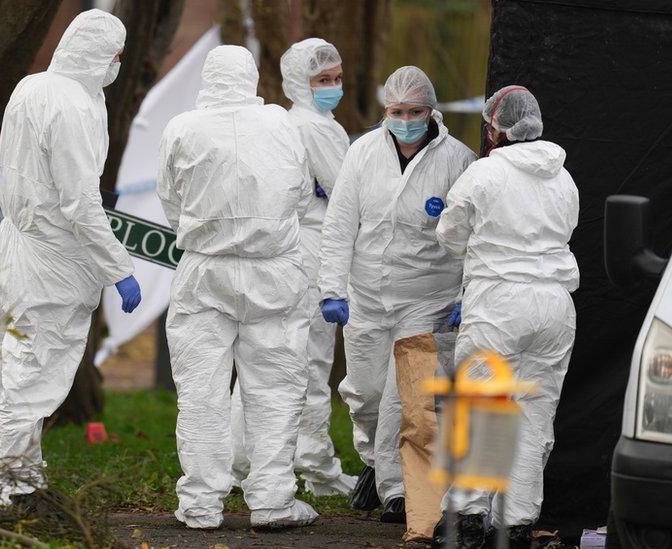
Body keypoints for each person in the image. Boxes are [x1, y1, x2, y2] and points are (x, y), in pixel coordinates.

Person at [0, 9, 142, 509]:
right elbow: (78, 202)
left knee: (13, 368)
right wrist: (120, 269)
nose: (117, 65)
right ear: (103, 55)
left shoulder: (34, 87)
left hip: (15, 248)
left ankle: (22, 479)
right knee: (30, 373)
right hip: (49, 259)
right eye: (116, 56)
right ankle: (13, 486)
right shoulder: (73, 105)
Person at [158, 45, 318, 530]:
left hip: (205, 270)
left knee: (201, 392)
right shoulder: (280, 125)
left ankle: (201, 503)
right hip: (273, 271)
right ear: (251, 78)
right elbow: (303, 195)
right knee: (275, 388)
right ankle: (272, 499)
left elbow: (171, 201)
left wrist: (210, 232)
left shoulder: (182, 128)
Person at [318, 66, 476, 523]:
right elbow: (340, 225)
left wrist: (466, 294)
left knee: (404, 398)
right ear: (385, 111)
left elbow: (472, 237)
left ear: (431, 112)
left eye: (414, 111)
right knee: (364, 394)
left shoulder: (458, 162)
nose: (404, 119)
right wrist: (333, 287)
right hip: (366, 296)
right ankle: (373, 460)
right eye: (396, 111)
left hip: (427, 298)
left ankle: (398, 492)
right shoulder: (363, 153)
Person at [434, 85, 579, 549]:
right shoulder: (564, 177)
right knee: (534, 414)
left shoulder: (484, 174)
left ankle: (468, 520)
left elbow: (451, 236)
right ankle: (515, 523)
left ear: (496, 128)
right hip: (555, 305)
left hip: (499, 302)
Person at [229, 38, 357, 497]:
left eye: (337, 78)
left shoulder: (288, 120)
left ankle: (236, 459)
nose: (334, 86)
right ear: (301, 82)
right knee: (310, 359)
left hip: (288, 250)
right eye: (324, 80)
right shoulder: (314, 127)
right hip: (313, 250)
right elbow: (347, 192)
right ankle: (316, 465)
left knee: (268, 358)